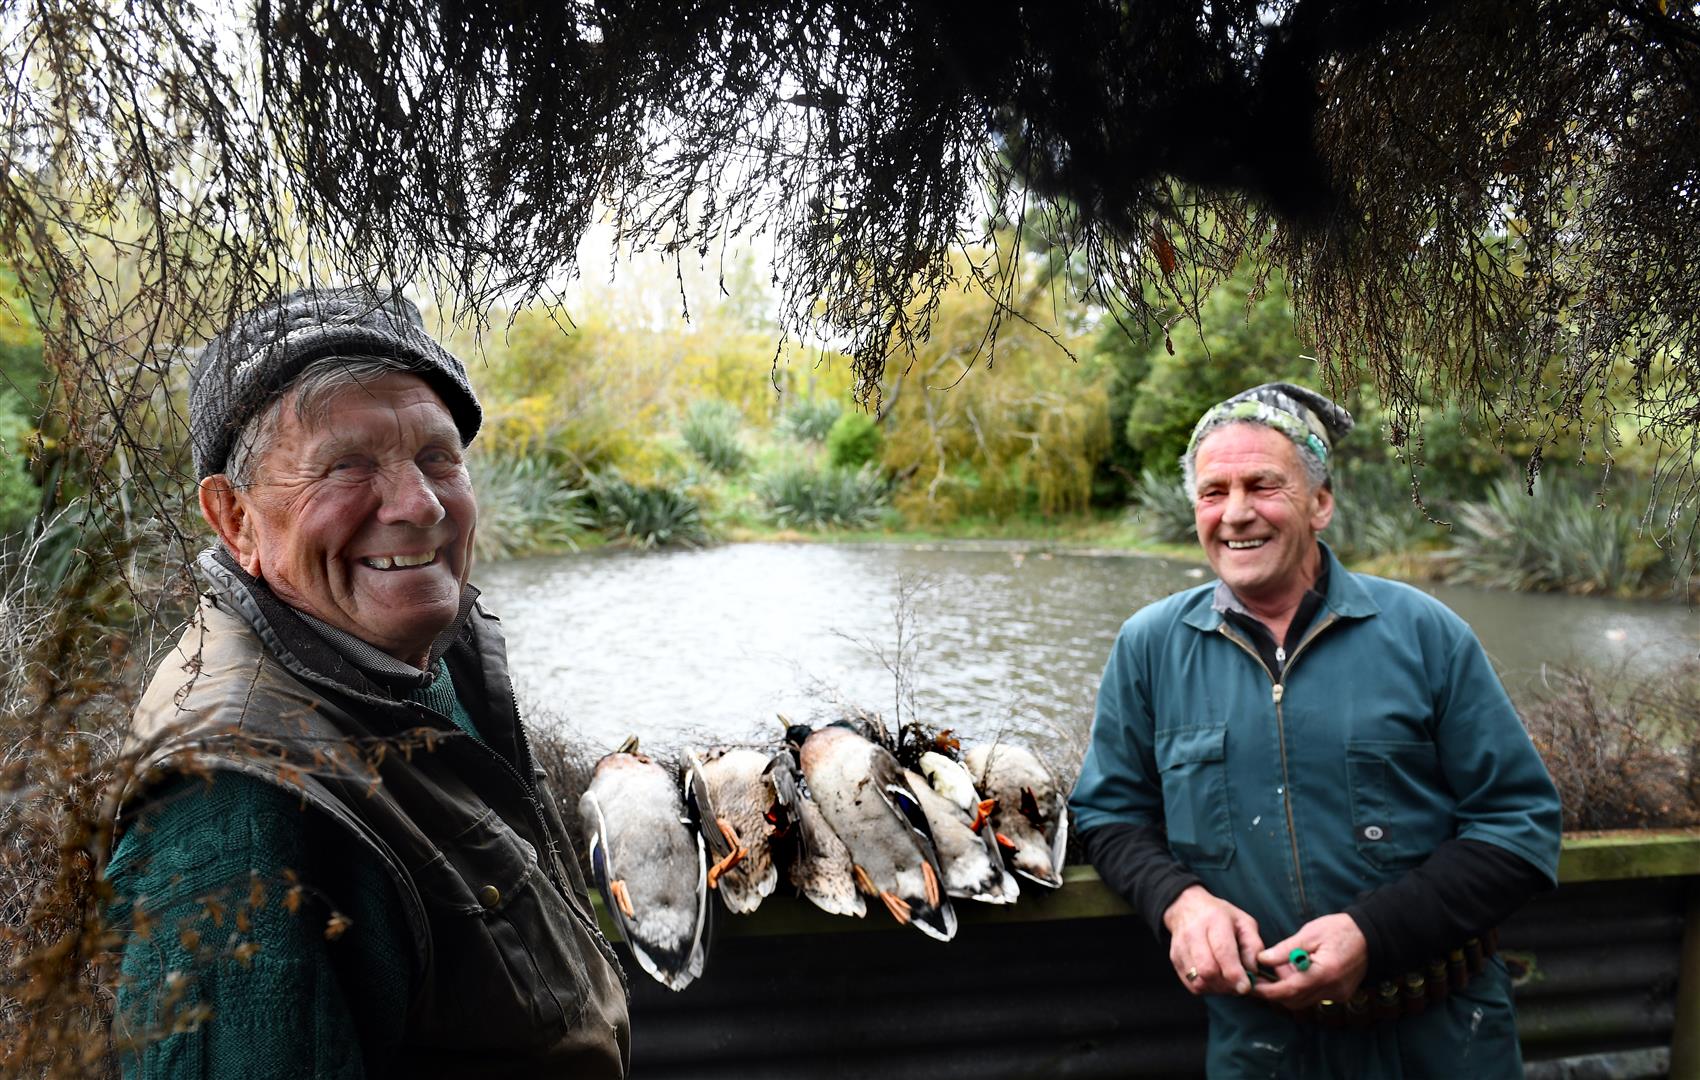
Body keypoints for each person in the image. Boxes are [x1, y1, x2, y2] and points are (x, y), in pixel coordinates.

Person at [106, 288, 630, 1077]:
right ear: (236, 521)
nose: (420, 505)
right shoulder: (235, 806)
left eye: (437, 457)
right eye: (344, 466)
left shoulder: (394, 655)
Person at [1069, 383, 1562, 1078]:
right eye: (1214, 493)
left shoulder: (1424, 633)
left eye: (1263, 486)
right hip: (1262, 1046)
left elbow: (1520, 825)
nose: (1236, 514)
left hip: (1443, 1039)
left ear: (1320, 502)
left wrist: (1373, 935)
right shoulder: (1150, 647)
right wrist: (1178, 901)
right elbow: (1109, 814)